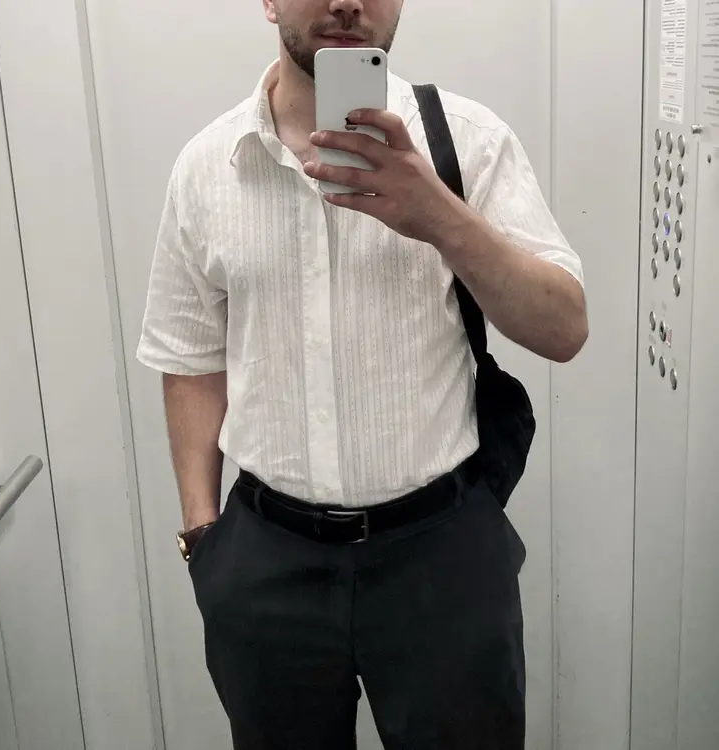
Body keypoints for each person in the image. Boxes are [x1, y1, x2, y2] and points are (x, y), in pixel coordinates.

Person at [137, 1, 588, 747]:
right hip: (265, 564)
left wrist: (439, 215)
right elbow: (189, 358)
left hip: (443, 557)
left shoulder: (467, 142)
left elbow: (563, 328)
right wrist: (202, 534)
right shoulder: (208, 167)